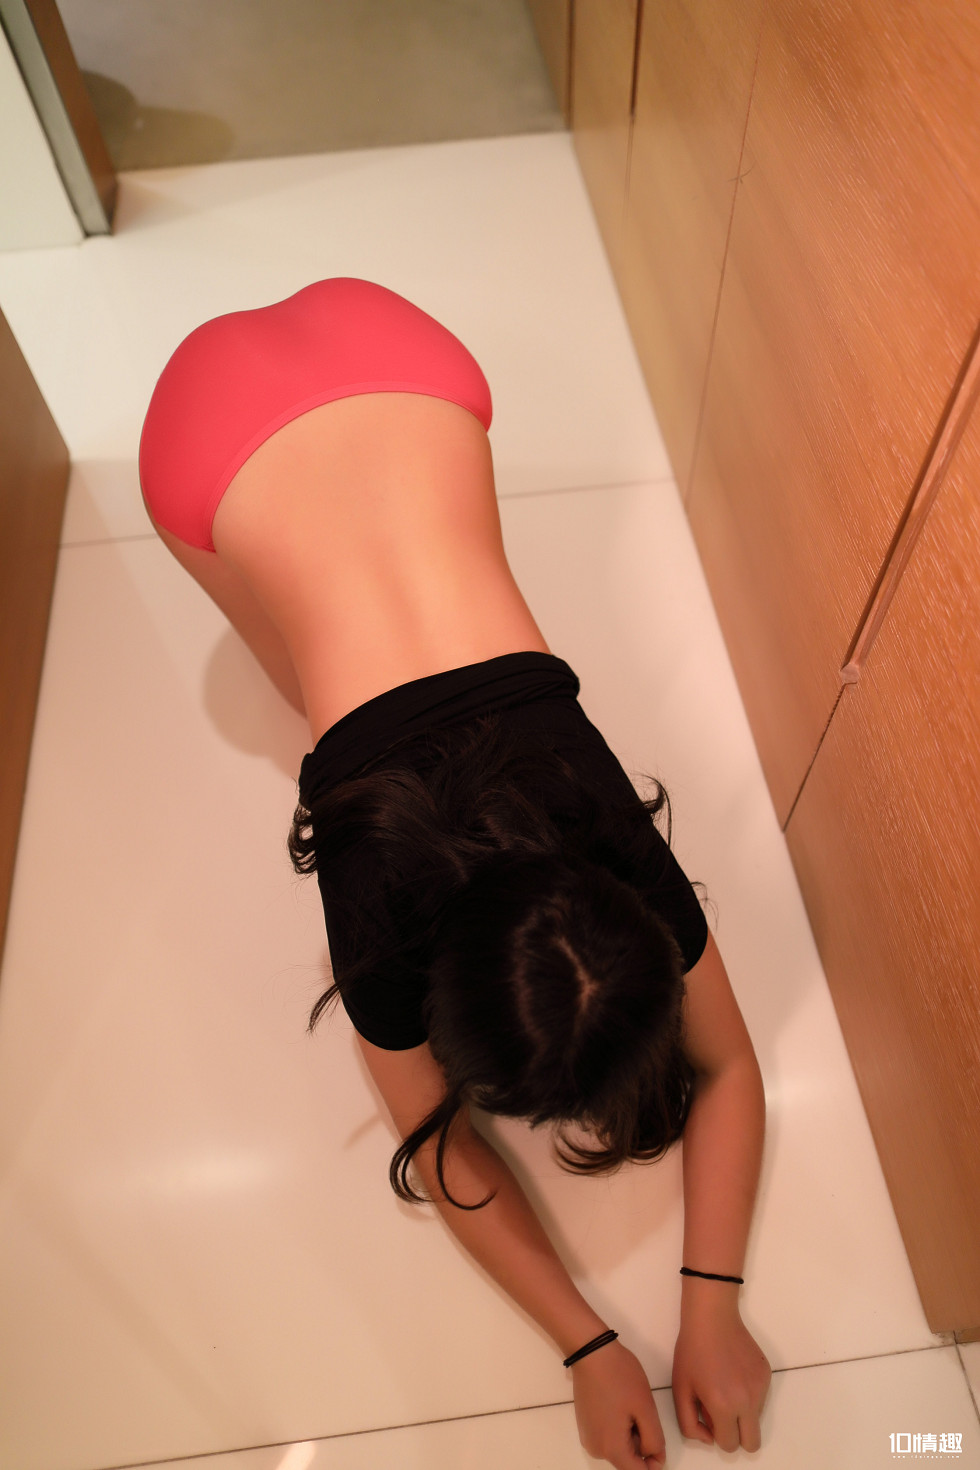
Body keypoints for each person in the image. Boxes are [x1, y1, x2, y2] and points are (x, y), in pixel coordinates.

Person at [139, 277, 771, 1468]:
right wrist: (589, 1343)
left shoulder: (606, 843)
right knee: (304, 688)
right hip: (251, 419)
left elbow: (723, 1066)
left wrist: (704, 1310)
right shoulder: (375, 904)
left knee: (311, 650)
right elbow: (437, 1141)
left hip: (389, 359)